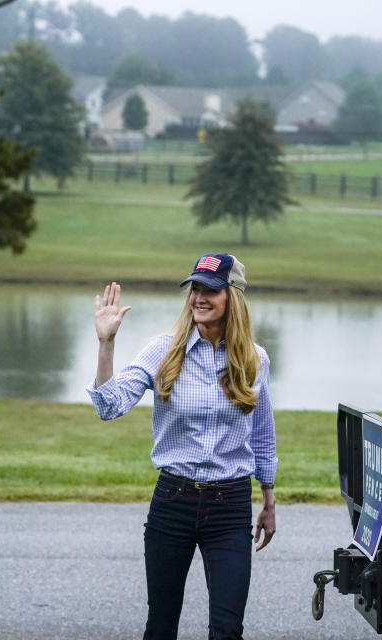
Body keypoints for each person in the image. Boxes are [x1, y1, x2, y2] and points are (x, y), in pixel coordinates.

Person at [87, 253, 277, 640]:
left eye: (210, 290)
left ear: (233, 297)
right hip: (173, 502)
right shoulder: (163, 350)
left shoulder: (255, 359)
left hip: (231, 507)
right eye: (195, 289)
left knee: (227, 629)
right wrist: (106, 343)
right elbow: (109, 406)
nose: (199, 298)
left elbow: (261, 432)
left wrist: (269, 501)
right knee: (161, 625)